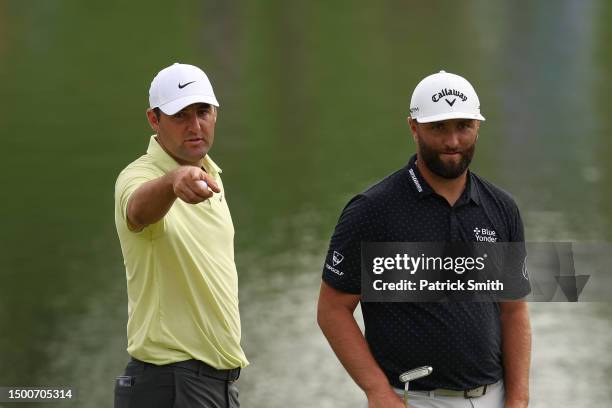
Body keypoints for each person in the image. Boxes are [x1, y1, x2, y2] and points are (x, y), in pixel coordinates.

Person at [317, 71, 531, 408]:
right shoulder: (373, 210)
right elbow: (332, 310)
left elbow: (514, 311)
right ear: (414, 127)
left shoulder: (502, 209)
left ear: (478, 126)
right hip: (411, 399)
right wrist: (377, 391)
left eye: (463, 126)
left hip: (494, 397)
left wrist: (518, 400)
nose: (452, 141)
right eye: (438, 128)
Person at [113, 63, 248, 408]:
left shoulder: (211, 176)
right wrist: (173, 183)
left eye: (202, 112)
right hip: (170, 382)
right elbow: (137, 210)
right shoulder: (140, 175)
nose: (195, 126)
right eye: (180, 115)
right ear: (154, 120)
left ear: (215, 113)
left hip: (216, 386)